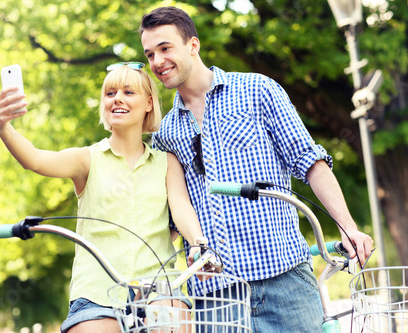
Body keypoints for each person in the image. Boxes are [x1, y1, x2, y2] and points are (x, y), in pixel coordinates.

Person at [139, 6, 374, 332]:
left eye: (165, 48)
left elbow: (310, 161)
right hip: (217, 297)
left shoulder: (257, 90)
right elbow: (172, 216)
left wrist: (348, 226)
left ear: (193, 45)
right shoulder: (165, 134)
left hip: (285, 281)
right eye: (150, 54)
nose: (157, 62)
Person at [0, 62, 205, 333]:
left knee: (171, 325)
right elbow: (35, 159)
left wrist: (198, 242)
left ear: (149, 103)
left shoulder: (167, 162)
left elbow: (181, 209)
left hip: (161, 290)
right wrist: (4, 128)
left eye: (129, 92)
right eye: (110, 93)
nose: (117, 98)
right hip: (97, 295)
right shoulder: (87, 159)